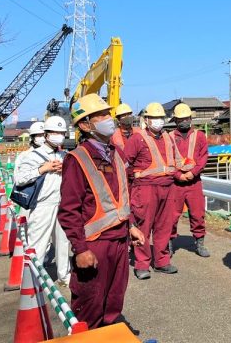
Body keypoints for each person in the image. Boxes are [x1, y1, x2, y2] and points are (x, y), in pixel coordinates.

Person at [58, 94, 145, 329]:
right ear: (85, 125)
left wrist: (131, 226)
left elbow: (122, 197)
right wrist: (80, 249)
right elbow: (68, 210)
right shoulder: (77, 159)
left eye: (109, 114)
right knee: (90, 304)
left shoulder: (116, 153)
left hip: (119, 240)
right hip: (94, 244)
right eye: (102, 115)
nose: (110, 119)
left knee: (114, 301)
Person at [120, 102, 177, 279]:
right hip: (145, 188)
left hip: (168, 187)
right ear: (147, 120)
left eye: (161, 118)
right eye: (154, 118)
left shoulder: (168, 137)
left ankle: (161, 261)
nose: (158, 121)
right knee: (143, 226)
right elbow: (125, 164)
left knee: (164, 226)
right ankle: (142, 264)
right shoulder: (137, 138)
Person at [13, 115, 71, 285]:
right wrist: (42, 169)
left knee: (63, 242)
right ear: (46, 134)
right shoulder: (31, 155)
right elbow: (20, 179)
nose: (58, 135)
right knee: (38, 243)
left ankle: (64, 275)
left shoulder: (65, 155)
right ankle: (32, 280)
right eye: (54, 132)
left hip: (62, 203)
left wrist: (65, 170)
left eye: (61, 132)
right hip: (42, 205)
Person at [164, 103, 211, 258]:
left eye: (186, 118)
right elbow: (167, 160)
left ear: (190, 118)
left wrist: (193, 173)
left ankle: (200, 242)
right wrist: (178, 175)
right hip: (175, 183)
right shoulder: (169, 137)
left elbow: (203, 157)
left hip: (194, 182)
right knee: (171, 215)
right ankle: (168, 243)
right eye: (181, 119)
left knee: (198, 213)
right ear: (176, 120)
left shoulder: (200, 135)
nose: (184, 121)